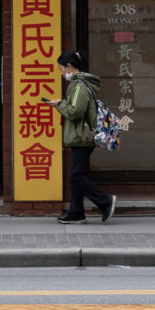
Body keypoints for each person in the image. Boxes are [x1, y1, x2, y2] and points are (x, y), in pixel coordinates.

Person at [46, 50, 117, 224]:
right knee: (76, 175)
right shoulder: (80, 85)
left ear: (69, 66)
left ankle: (105, 201)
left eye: (61, 70)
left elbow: (76, 111)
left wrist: (59, 104)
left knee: (75, 176)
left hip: (82, 136)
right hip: (81, 136)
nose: (61, 74)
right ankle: (76, 213)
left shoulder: (79, 86)